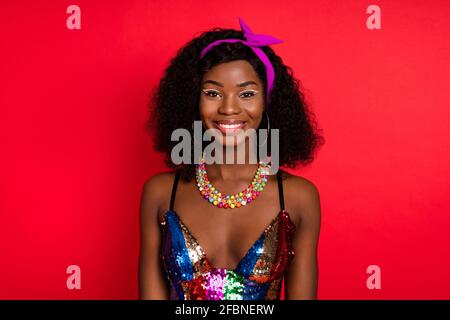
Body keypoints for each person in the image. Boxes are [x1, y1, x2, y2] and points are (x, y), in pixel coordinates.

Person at [139, 18, 324, 300]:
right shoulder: (162, 193)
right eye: (212, 93)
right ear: (193, 101)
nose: (228, 108)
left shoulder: (298, 197)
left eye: (247, 94)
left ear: (268, 101)